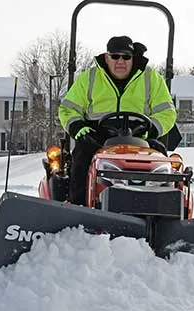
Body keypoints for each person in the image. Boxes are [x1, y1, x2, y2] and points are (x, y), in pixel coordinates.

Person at [58, 35, 177, 206]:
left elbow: (166, 111)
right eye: (115, 56)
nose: (120, 61)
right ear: (107, 57)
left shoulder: (151, 78)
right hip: (97, 137)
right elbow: (68, 108)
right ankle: (80, 206)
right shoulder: (90, 77)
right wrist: (78, 127)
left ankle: (162, 208)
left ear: (133, 58)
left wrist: (153, 128)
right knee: (83, 152)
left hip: (140, 139)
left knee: (159, 154)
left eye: (126, 56)